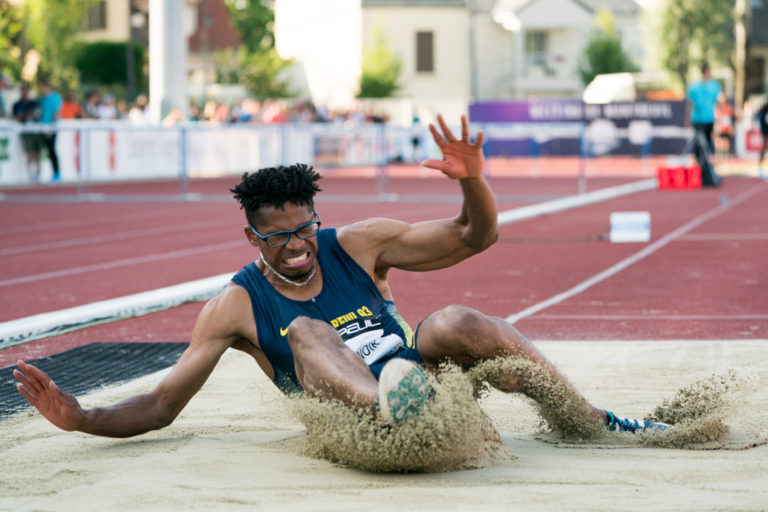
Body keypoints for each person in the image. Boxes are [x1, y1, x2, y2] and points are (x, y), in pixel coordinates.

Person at [13, 115, 668, 439]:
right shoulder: (236, 305)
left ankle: (593, 422)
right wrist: (83, 416)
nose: (300, 248)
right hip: (356, 425)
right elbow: (160, 405)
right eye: (280, 238)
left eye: (305, 229)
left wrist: (473, 181)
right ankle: (390, 406)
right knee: (303, 329)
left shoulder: (356, 245)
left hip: (427, 395)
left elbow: (476, 236)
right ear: (252, 238)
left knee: (448, 321)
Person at [686, 62, 721, 156]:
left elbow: (718, 102)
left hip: (709, 118)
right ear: (705, 71)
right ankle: (698, 160)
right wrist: (688, 118)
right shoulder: (693, 87)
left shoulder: (714, 86)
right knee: (698, 141)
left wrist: (719, 118)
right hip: (697, 118)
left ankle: (706, 162)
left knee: (708, 140)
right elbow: (690, 104)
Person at [12, 84, 43, 182]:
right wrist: (24, 116)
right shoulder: (17, 104)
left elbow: (37, 115)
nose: (24, 93)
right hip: (26, 132)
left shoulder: (34, 103)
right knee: (29, 152)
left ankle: (38, 174)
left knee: (37, 152)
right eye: (23, 90)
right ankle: (30, 174)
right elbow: (16, 117)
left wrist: (28, 116)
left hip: (36, 130)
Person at [38, 79, 62, 183]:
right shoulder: (43, 99)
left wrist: (51, 128)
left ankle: (57, 174)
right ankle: (47, 174)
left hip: (51, 128)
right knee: (46, 151)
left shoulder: (55, 97)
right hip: (43, 128)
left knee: (52, 151)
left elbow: (57, 112)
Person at [758, 99, 768, 177]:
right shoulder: (764, 111)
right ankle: (760, 168)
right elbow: (761, 121)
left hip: (765, 131)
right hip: (765, 131)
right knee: (763, 148)